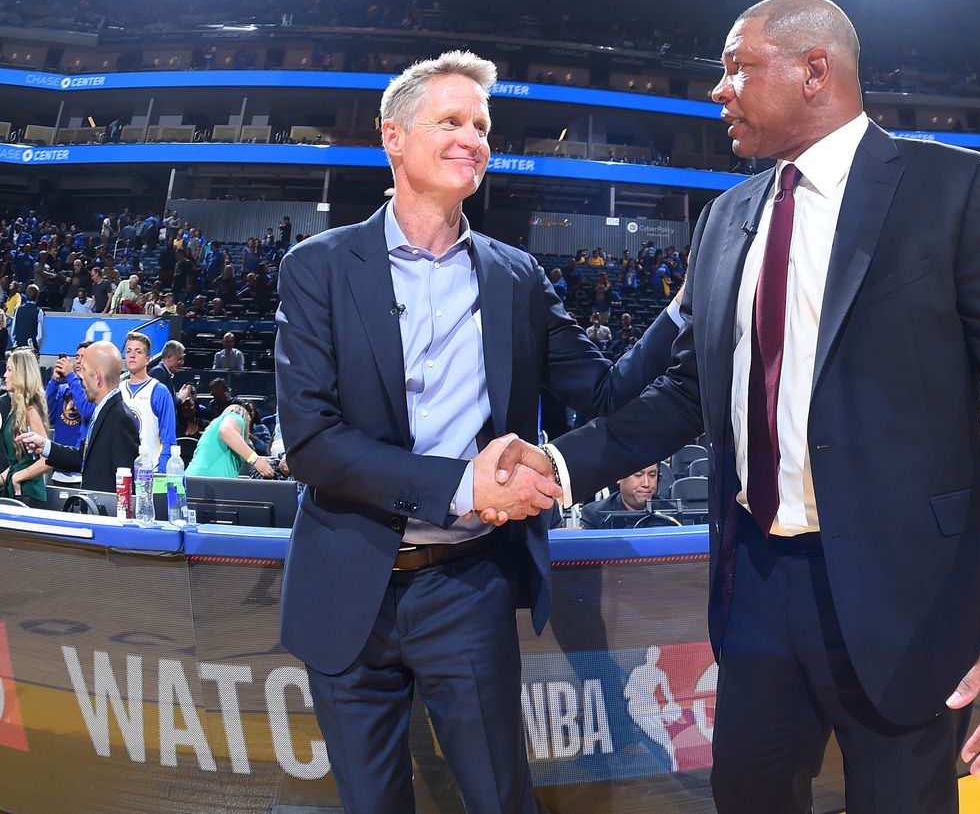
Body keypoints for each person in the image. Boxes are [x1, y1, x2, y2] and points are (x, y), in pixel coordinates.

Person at [494, 0, 980, 812]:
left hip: (914, 596)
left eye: (737, 66)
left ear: (816, 71)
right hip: (758, 584)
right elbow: (688, 396)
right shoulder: (726, 215)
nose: (719, 90)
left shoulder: (953, 189)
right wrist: (559, 463)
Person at [273, 50, 680, 814]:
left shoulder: (516, 275)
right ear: (393, 137)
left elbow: (602, 390)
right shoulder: (316, 267)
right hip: (345, 585)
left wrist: (683, 308)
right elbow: (311, 442)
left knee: (502, 800)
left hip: (466, 585)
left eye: (482, 125)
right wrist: (460, 484)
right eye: (451, 120)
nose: (474, 138)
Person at [19, 341, 140, 493]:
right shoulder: (102, 411)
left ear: (97, 377)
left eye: (83, 369)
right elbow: (82, 457)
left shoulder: (120, 418)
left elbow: (125, 484)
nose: (79, 375)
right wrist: (45, 446)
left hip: (105, 514)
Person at [120, 331, 177, 473]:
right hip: (122, 471)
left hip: (150, 472)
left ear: (147, 359)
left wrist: (162, 474)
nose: (132, 355)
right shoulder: (118, 389)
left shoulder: (159, 391)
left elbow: (168, 439)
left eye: (138, 351)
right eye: (128, 351)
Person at [1, 348, 51, 501]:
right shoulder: (16, 410)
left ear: (21, 374)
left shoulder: (31, 412)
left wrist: (18, 476)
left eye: (9, 370)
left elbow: (49, 460)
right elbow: (20, 460)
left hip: (28, 494)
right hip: (14, 490)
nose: (4, 375)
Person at [45, 342, 95, 483]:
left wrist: (71, 376)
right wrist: (54, 381)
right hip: (59, 468)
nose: (78, 360)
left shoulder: (95, 392)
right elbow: (47, 415)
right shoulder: (63, 389)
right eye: (77, 356)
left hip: (81, 471)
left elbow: (86, 411)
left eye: (83, 357)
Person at [185, 403, 275, 478]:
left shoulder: (211, 431)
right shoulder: (236, 415)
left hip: (193, 481)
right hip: (211, 484)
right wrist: (255, 459)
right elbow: (226, 430)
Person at [578, 463, 660, 528]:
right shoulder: (594, 516)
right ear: (619, 476)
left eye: (652, 475)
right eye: (638, 475)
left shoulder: (671, 512)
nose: (646, 483)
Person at [10, 285, 44, 353]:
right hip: (31, 349)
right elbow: (40, 335)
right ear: (37, 296)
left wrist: (16, 344)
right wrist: (36, 348)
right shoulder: (39, 311)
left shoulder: (18, 309)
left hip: (18, 348)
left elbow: (13, 331)